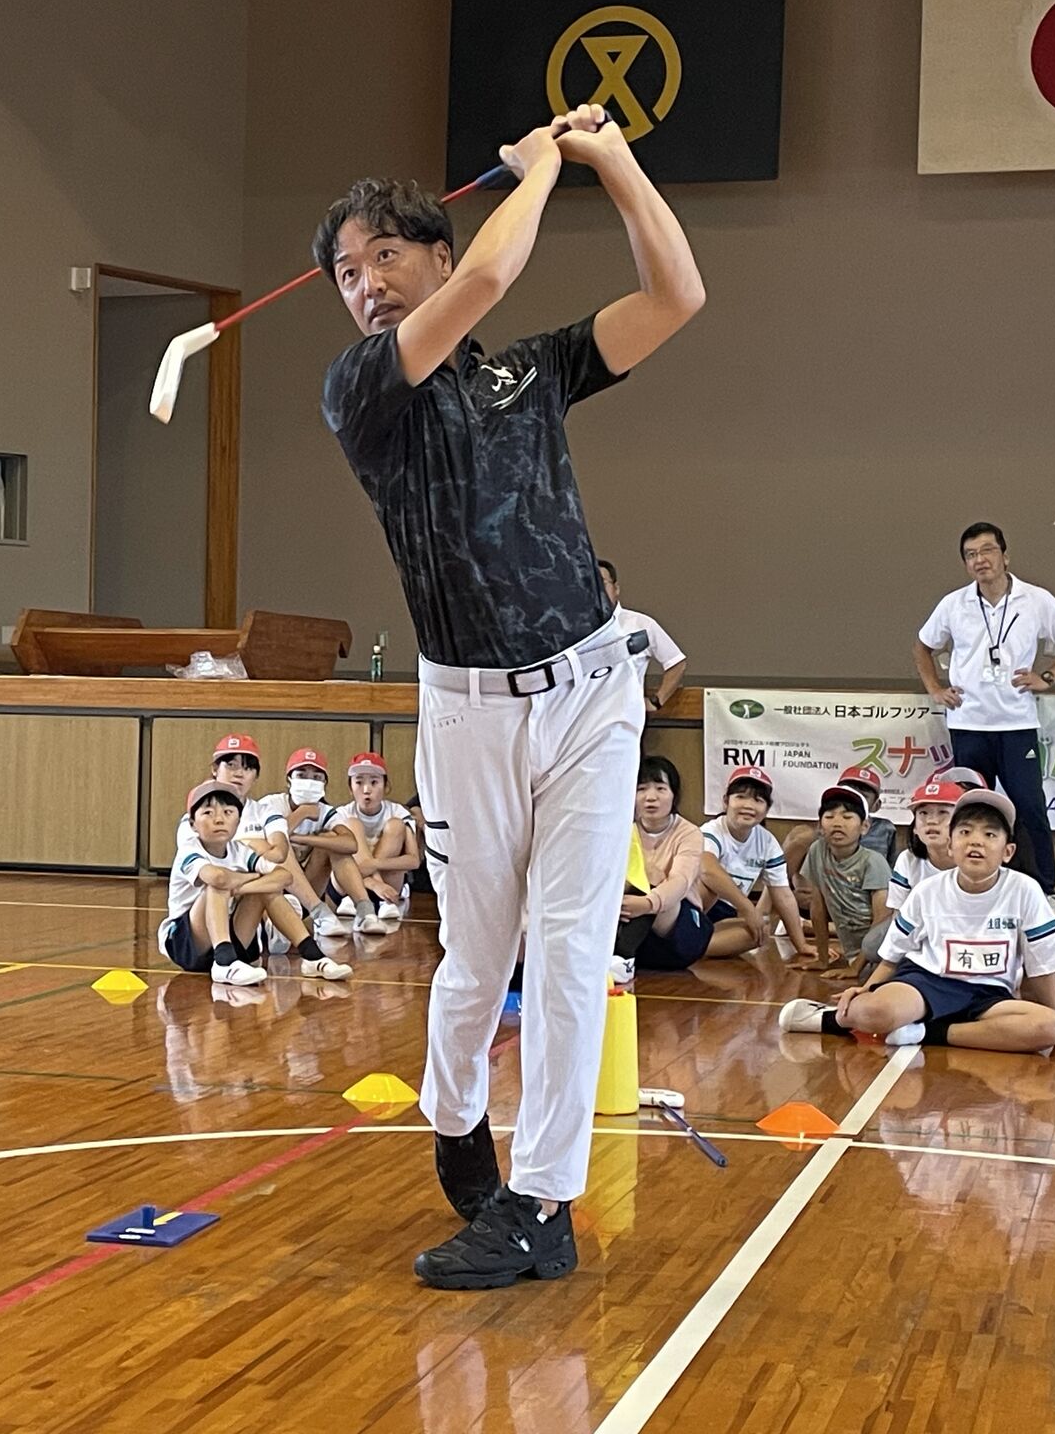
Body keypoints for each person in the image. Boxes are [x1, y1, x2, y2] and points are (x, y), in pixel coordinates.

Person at [314, 100, 704, 1288]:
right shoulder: (361, 391)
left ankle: (542, 1205)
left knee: (574, 947)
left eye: (388, 253)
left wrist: (613, 162)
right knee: (474, 955)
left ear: (431, 249)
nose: (367, 282)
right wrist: (538, 171)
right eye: (345, 269)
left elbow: (677, 294)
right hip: (468, 709)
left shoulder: (531, 376)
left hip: (592, 691)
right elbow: (488, 276)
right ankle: (457, 1127)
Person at [780, 790, 1055, 1053]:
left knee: (1046, 1028)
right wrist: (866, 991)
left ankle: (927, 1033)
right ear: (950, 845)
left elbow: (1043, 965)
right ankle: (833, 1019)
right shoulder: (928, 890)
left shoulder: (1025, 890)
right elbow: (893, 955)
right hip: (927, 983)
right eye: (965, 832)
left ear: (1007, 851)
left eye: (989, 834)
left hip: (990, 995)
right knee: (872, 1011)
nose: (976, 841)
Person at [914, 522, 1055, 921]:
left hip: (1015, 723)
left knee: (1029, 807)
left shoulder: (1036, 599)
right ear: (966, 564)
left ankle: (1045, 892)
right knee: (969, 810)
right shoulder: (954, 604)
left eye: (987, 551)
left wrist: (1048, 676)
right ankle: (971, 886)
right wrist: (935, 688)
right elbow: (923, 646)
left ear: (1005, 555)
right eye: (972, 555)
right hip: (969, 723)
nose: (981, 560)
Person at [160, 781, 352, 986]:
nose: (219, 819)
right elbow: (218, 878)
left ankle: (312, 956)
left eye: (228, 812)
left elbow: (284, 877)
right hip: (185, 943)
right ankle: (224, 962)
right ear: (192, 824)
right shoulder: (190, 849)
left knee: (267, 889)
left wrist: (241, 887)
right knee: (216, 886)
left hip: (233, 935)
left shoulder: (240, 850)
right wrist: (247, 879)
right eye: (208, 813)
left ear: (238, 820)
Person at [237, 749, 377, 935]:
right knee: (281, 848)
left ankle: (365, 912)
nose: (309, 782)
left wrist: (306, 839)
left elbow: (351, 844)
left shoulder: (324, 811)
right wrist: (302, 813)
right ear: (289, 780)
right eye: (302, 775)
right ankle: (317, 914)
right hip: (273, 884)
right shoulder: (271, 804)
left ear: (324, 783)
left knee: (331, 841)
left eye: (316, 777)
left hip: (308, 884)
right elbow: (273, 841)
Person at [695, 768, 817, 962]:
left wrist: (801, 945)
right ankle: (683, 943)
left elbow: (784, 895)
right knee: (710, 886)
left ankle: (685, 949)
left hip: (724, 914)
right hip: (690, 910)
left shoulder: (767, 842)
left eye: (758, 800)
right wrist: (748, 908)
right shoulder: (710, 831)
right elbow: (707, 870)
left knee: (759, 932)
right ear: (726, 802)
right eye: (741, 797)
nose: (748, 805)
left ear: (767, 809)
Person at [789, 784, 891, 980]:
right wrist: (823, 958)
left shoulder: (873, 861)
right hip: (854, 954)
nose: (837, 823)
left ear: (864, 827)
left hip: (881, 954)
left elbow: (882, 921)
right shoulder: (817, 851)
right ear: (819, 825)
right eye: (829, 817)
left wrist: (856, 968)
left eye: (847, 817)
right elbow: (817, 906)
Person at [614, 755, 703, 977]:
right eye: (641, 789)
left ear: (674, 795)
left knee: (652, 880)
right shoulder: (620, 828)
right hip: (628, 918)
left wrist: (647, 903)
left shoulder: (689, 833)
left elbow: (681, 881)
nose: (650, 797)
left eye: (661, 789)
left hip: (678, 928)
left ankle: (622, 958)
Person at [860, 777, 960, 965]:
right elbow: (899, 915)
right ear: (914, 827)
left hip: (962, 930)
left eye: (943, 813)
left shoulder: (972, 859)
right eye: (923, 813)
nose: (931, 821)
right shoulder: (907, 859)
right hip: (918, 928)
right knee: (872, 946)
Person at [782, 765, 896, 915]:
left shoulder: (886, 830)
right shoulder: (820, 831)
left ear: (876, 805)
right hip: (824, 899)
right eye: (849, 792)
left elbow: (892, 878)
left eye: (864, 796)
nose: (854, 800)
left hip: (864, 905)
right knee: (801, 835)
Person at [333, 752, 422, 926]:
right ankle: (357, 896)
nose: (366, 790)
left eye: (374, 782)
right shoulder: (342, 814)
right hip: (347, 889)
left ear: (386, 786)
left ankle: (377, 900)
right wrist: (376, 884)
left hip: (389, 888)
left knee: (396, 825)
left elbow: (413, 861)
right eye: (359, 782)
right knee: (351, 824)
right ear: (350, 788)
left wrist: (373, 864)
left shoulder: (398, 813)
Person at [597, 559, 686, 714]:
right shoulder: (572, 629)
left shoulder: (640, 624)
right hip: (582, 723)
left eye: (602, 583)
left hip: (625, 722)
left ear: (616, 588)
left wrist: (657, 701)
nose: (596, 590)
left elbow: (676, 662)